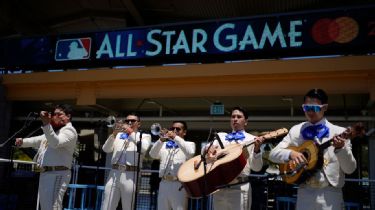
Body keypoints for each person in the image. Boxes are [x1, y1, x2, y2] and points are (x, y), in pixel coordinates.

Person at [269, 88, 357, 210]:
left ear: (324, 108)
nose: (309, 112)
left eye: (314, 108)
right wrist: (291, 154)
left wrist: (341, 149)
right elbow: (273, 154)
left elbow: (350, 169)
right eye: (306, 108)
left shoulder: (339, 132)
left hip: (331, 194)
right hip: (304, 192)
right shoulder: (296, 130)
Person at [15, 104, 78, 210]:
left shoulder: (69, 131)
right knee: (46, 207)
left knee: (53, 207)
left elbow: (55, 143)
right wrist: (22, 142)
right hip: (47, 173)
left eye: (60, 114)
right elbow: (38, 139)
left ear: (68, 116)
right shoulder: (55, 131)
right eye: (54, 114)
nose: (56, 116)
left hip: (58, 173)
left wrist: (46, 123)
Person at [204, 106, 265, 210]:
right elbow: (205, 154)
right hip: (220, 187)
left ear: (246, 122)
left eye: (239, 116)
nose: (235, 119)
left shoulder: (252, 139)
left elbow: (257, 168)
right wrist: (207, 149)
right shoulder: (221, 137)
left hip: (240, 186)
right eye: (233, 116)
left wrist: (257, 150)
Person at [101, 112, 151, 210]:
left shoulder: (144, 136)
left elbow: (144, 148)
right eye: (127, 121)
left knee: (128, 207)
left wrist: (130, 132)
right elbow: (106, 149)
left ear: (139, 124)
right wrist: (113, 134)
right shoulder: (119, 135)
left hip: (131, 174)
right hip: (114, 173)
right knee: (107, 206)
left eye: (132, 121)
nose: (129, 122)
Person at [149, 121, 196, 210]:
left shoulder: (189, 144)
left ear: (184, 132)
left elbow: (190, 153)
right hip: (164, 183)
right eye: (172, 128)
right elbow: (152, 154)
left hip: (179, 185)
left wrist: (175, 137)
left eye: (178, 129)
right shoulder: (164, 145)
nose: (174, 130)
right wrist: (161, 140)